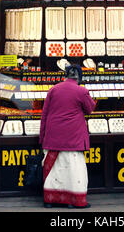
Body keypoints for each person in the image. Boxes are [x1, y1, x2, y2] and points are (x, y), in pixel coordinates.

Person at [39, 64, 96, 208]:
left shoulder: (53, 89)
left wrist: (42, 138)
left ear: (66, 75)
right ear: (79, 77)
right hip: (73, 137)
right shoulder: (81, 91)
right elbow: (90, 109)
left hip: (53, 137)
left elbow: (44, 115)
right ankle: (73, 200)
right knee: (74, 170)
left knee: (54, 170)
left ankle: (50, 200)